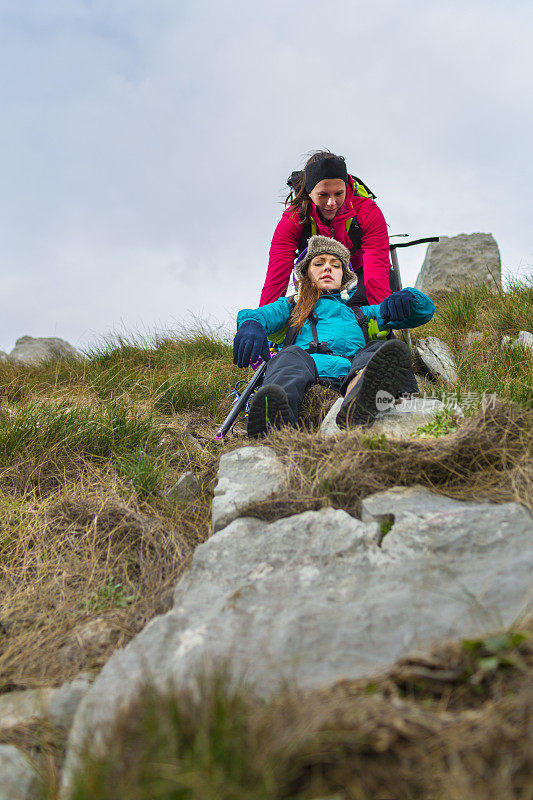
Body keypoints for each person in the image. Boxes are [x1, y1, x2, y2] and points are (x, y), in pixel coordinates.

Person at [234, 236, 435, 438]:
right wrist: (250, 324)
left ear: (344, 277)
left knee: (375, 350)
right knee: (289, 355)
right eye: (319, 263)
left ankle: (357, 402)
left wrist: (409, 298)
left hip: (353, 373)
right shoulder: (290, 307)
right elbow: (258, 316)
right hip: (305, 373)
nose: (327, 268)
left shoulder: (362, 313)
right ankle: (276, 419)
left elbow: (421, 312)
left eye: (335, 265)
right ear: (306, 274)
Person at [260, 150, 394, 308]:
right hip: (318, 282)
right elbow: (276, 277)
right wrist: (263, 322)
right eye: (323, 194)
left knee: (354, 311)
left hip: (361, 278)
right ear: (310, 193)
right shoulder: (293, 220)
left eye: (339, 193)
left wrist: (383, 316)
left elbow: (376, 268)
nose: (332, 202)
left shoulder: (367, 211)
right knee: (312, 312)